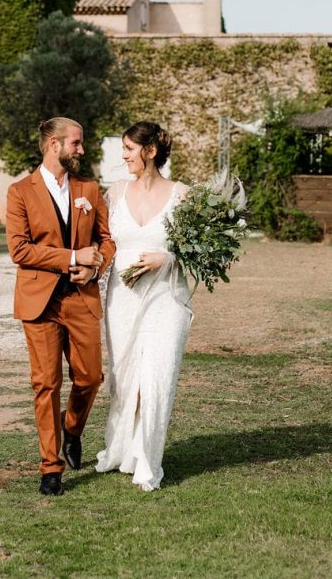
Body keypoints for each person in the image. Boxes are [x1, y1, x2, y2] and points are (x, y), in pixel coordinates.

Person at [6, 116, 115, 496]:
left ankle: (72, 428)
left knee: (90, 377)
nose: (81, 150)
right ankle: (50, 468)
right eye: (76, 143)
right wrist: (72, 257)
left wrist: (97, 263)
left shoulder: (89, 188)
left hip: (81, 299)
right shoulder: (20, 191)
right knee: (46, 384)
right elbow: (19, 250)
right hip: (40, 302)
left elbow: (106, 239)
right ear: (54, 145)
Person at [95, 120, 192, 492]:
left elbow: (203, 252)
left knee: (156, 378)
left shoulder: (181, 194)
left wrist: (165, 259)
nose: (123, 156)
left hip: (166, 296)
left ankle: (148, 463)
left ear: (150, 152)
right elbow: (104, 240)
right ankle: (121, 451)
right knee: (124, 377)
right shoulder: (115, 192)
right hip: (122, 296)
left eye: (129, 150)